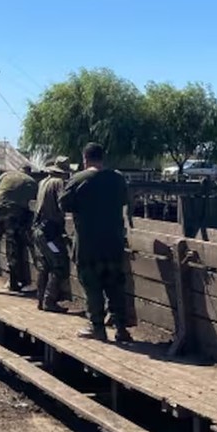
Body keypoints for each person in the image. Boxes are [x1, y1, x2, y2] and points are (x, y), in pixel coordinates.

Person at [59, 142, 134, 342]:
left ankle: (97, 328)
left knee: (92, 287)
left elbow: (64, 204)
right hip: (113, 244)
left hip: (88, 245)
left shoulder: (78, 179)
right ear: (103, 158)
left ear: (85, 159)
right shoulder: (118, 179)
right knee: (115, 286)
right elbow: (125, 201)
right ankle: (121, 329)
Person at [0, 166, 38, 292]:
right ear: (29, 172)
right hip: (15, 216)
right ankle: (13, 283)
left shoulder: (5, 175)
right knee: (12, 248)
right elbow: (32, 202)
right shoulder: (31, 182)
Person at [32, 157, 72, 312]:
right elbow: (63, 203)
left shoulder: (43, 182)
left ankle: (40, 299)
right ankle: (49, 300)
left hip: (39, 231)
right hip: (50, 234)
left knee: (44, 265)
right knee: (60, 264)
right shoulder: (59, 183)